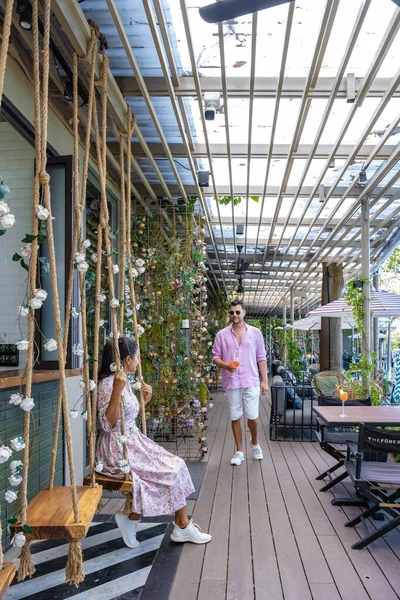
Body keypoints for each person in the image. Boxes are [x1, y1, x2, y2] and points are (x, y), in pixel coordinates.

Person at [96, 336, 211, 548]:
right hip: (117, 449)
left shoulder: (123, 381)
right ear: (127, 359)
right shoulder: (109, 384)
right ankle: (181, 525)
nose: (138, 361)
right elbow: (108, 424)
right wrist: (116, 391)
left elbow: (127, 416)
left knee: (176, 464)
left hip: (132, 440)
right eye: (137, 357)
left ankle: (179, 526)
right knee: (168, 471)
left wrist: (143, 401)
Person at [212, 299, 267, 466]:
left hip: (250, 380)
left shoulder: (256, 333)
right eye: (232, 312)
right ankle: (239, 451)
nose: (234, 315)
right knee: (235, 416)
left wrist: (264, 381)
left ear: (244, 313)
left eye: (237, 312)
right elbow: (215, 356)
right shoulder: (221, 334)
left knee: (252, 416)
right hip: (232, 381)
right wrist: (225, 366)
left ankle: (255, 443)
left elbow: (261, 357)